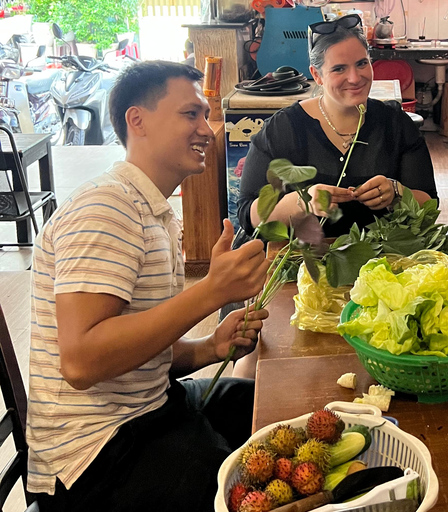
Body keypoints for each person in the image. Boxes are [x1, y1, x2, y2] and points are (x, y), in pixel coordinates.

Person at [26, 61, 271, 511]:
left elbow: (137, 342)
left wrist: (209, 348)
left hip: (147, 409)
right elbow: (82, 361)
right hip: (92, 455)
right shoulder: (107, 206)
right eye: (189, 115)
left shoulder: (151, 210)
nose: (207, 130)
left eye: (205, 115)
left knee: (257, 405)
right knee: (245, 490)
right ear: (136, 120)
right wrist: (211, 292)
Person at [236, 13, 438, 239]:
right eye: (339, 69)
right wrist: (302, 202)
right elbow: (247, 215)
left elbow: (430, 206)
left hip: (381, 262)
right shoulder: (282, 130)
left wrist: (397, 193)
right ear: (317, 75)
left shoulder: (396, 124)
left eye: (362, 63)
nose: (354, 78)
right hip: (302, 262)